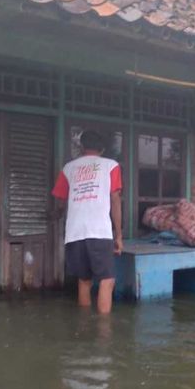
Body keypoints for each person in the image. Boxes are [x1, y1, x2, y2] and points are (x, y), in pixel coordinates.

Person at [51, 130, 123, 314]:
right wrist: (119, 235)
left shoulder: (69, 168)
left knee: (84, 281)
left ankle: (83, 326)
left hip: (74, 233)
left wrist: (57, 215)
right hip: (99, 231)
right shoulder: (111, 166)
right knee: (107, 280)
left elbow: (60, 201)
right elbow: (115, 199)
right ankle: (103, 332)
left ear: (81, 147)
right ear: (103, 148)